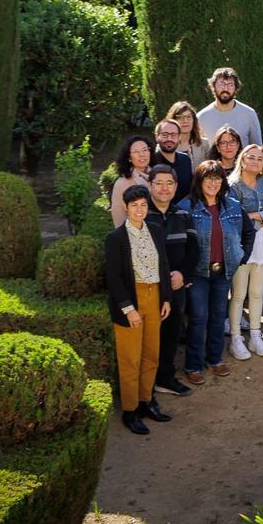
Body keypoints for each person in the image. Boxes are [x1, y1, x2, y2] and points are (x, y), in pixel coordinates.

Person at [106, 184, 173, 435]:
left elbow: (164, 265)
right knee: (130, 359)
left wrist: (165, 298)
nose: (139, 209)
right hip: (131, 301)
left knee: (151, 355)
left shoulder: (155, 230)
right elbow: (113, 278)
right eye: (134, 205)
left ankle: (147, 401)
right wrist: (128, 309)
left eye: (143, 205)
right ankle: (130, 410)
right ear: (126, 207)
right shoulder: (116, 239)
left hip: (154, 296)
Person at [179, 161, 254, 384]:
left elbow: (249, 233)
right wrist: (184, 272)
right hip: (198, 274)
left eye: (217, 178)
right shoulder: (186, 207)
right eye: (208, 178)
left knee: (217, 317)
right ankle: (193, 365)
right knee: (199, 318)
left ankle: (215, 359)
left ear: (223, 182)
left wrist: (242, 256)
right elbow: (177, 243)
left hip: (223, 273)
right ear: (199, 181)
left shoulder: (232, 206)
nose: (213, 183)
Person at [227, 144, 263, 360]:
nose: (256, 162)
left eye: (260, 159)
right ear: (242, 159)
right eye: (251, 157)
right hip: (241, 244)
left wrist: (255, 215)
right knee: (239, 294)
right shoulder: (233, 186)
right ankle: (235, 338)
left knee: (257, 292)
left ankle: (256, 336)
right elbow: (234, 216)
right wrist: (261, 215)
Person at [147, 164, 196, 398]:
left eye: (169, 183)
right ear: (150, 186)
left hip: (176, 287)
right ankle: (145, 384)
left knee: (171, 335)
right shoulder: (141, 215)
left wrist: (182, 275)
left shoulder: (184, 216)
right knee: (148, 338)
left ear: (176, 186)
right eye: (159, 183)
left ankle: (165, 379)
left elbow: (194, 252)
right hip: (149, 288)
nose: (164, 188)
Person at [197, 67, 262, 147]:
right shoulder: (201, 117)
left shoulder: (249, 114)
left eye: (230, 85)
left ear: (236, 88)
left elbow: (258, 149)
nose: (226, 88)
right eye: (221, 84)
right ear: (213, 86)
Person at [111, 135, 153, 227]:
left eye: (145, 150)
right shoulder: (122, 183)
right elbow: (119, 217)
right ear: (129, 158)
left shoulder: (158, 175)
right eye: (136, 152)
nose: (142, 154)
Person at [153, 119, 194, 205]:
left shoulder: (185, 160)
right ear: (157, 137)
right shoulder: (151, 162)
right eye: (165, 135)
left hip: (184, 214)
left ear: (179, 138)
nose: (169, 139)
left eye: (173, 135)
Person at [165, 101, 211, 166]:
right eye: (180, 117)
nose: (185, 121)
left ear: (193, 120)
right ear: (173, 120)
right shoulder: (165, 146)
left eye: (189, 117)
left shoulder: (204, 144)